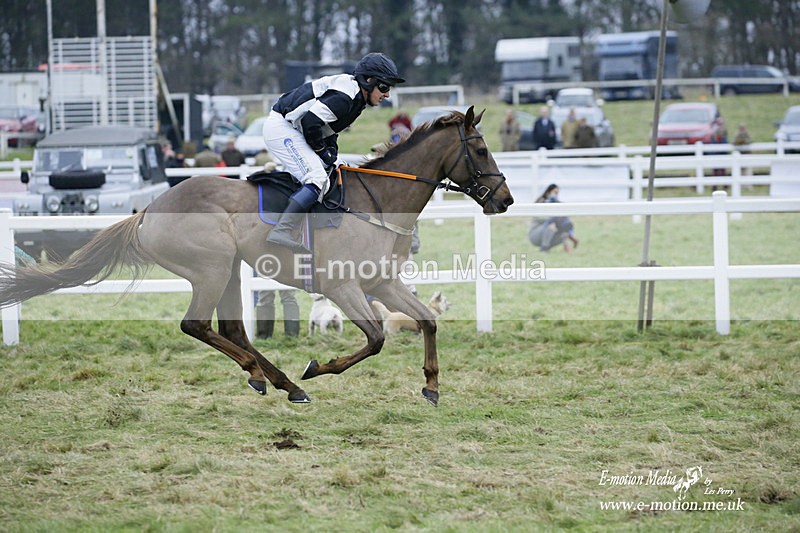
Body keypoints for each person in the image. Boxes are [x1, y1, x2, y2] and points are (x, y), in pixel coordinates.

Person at [262, 52, 405, 252]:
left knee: (334, 170)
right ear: (368, 81)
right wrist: (321, 150)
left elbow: (327, 129)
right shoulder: (345, 97)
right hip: (282, 127)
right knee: (317, 178)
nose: (387, 94)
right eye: (384, 87)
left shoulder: (357, 99)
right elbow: (310, 122)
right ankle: (282, 230)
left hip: (296, 129)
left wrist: (330, 151)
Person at [528, 184, 579, 253]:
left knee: (563, 231)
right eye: (555, 192)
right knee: (551, 225)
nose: (556, 195)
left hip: (548, 231)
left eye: (557, 193)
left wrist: (570, 236)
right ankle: (544, 249)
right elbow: (541, 218)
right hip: (535, 234)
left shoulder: (556, 204)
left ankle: (564, 250)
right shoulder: (541, 202)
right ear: (548, 192)